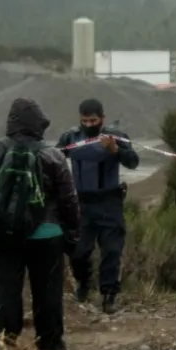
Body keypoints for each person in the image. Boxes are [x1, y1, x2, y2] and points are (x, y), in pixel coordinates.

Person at [0, 98, 81, 350]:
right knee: (47, 292)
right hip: (46, 236)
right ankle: (50, 347)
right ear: (38, 124)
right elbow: (69, 200)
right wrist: (72, 236)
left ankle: (3, 347)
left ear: (11, 123)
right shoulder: (53, 155)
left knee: (5, 290)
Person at [56, 98, 140, 314]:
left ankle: (109, 295)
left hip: (108, 201)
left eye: (93, 121)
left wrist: (115, 150)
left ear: (102, 118)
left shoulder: (116, 136)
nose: (89, 125)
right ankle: (83, 283)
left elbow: (133, 161)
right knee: (78, 251)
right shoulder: (70, 137)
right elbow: (54, 159)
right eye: (84, 121)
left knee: (111, 250)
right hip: (81, 202)